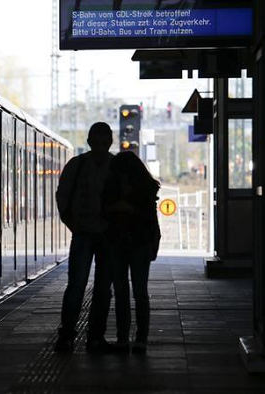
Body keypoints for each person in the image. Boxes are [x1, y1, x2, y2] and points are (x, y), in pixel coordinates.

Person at [55, 122, 114, 353]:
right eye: (96, 143)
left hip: (93, 236)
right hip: (90, 235)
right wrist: (74, 225)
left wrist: (73, 224)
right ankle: (89, 338)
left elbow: (63, 196)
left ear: (109, 142)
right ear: (89, 142)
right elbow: (63, 197)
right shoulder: (103, 166)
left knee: (84, 286)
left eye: (103, 143)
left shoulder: (77, 166)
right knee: (90, 287)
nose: (100, 148)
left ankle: (77, 336)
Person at [101, 151, 161, 354]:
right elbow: (151, 220)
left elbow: (148, 218)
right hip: (133, 243)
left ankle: (129, 339)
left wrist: (127, 209)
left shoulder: (136, 189)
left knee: (128, 292)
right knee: (135, 292)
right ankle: (133, 339)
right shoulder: (144, 187)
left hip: (130, 243)